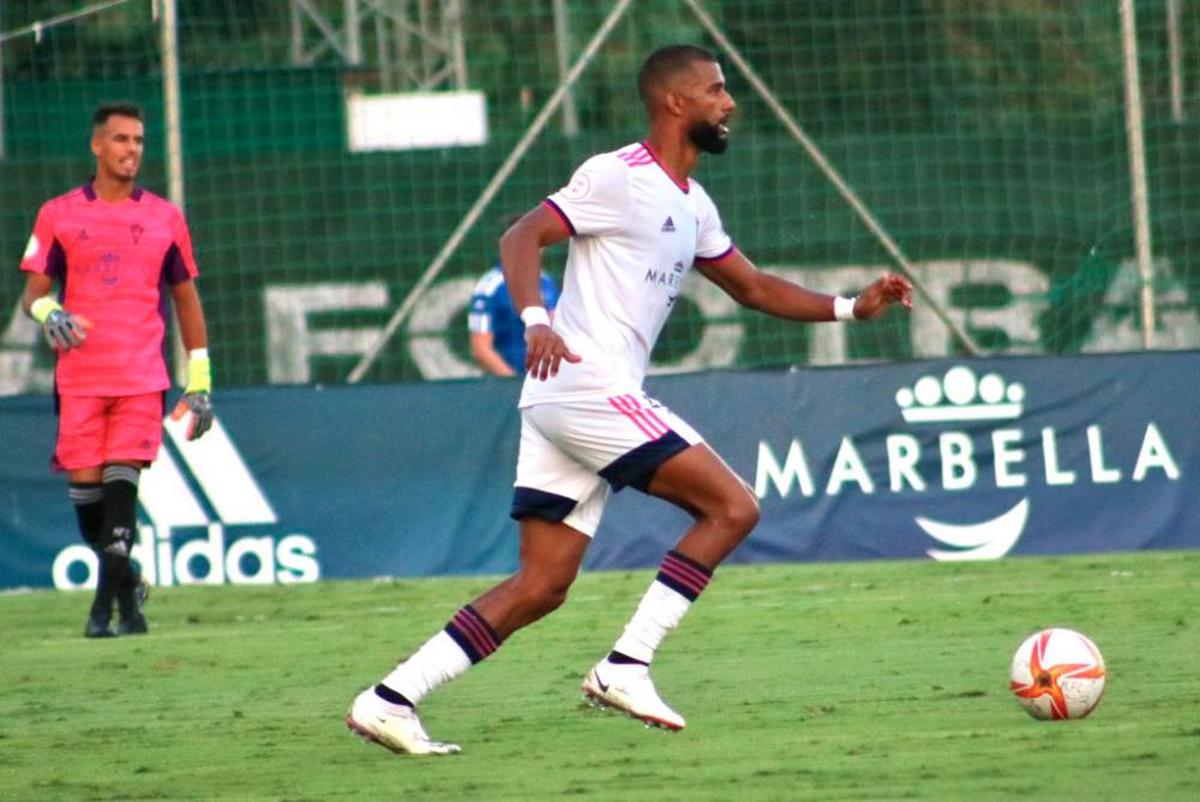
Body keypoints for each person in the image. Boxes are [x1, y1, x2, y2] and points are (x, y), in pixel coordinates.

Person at [347, 44, 912, 754]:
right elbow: (521, 235)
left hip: (564, 402)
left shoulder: (694, 204)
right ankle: (626, 664)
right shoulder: (617, 175)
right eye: (715, 90)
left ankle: (390, 698)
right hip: (588, 387)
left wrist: (852, 308)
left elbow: (755, 287)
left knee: (542, 584)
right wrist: (534, 320)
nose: (729, 102)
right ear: (676, 103)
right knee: (733, 507)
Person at [18, 101, 214, 638]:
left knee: (122, 493)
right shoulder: (58, 214)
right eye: (123, 140)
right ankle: (128, 588)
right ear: (97, 146)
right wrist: (50, 312)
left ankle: (103, 614)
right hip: (79, 381)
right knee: (90, 511)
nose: (133, 150)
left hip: (139, 379)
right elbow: (31, 295)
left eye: (140, 141)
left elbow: (186, 298)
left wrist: (200, 382)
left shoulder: (165, 218)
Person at [468, 248, 560, 376]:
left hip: (545, 382)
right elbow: (481, 349)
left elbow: (558, 330)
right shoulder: (490, 286)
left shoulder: (546, 282)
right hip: (505, 384)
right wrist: (512, 382)